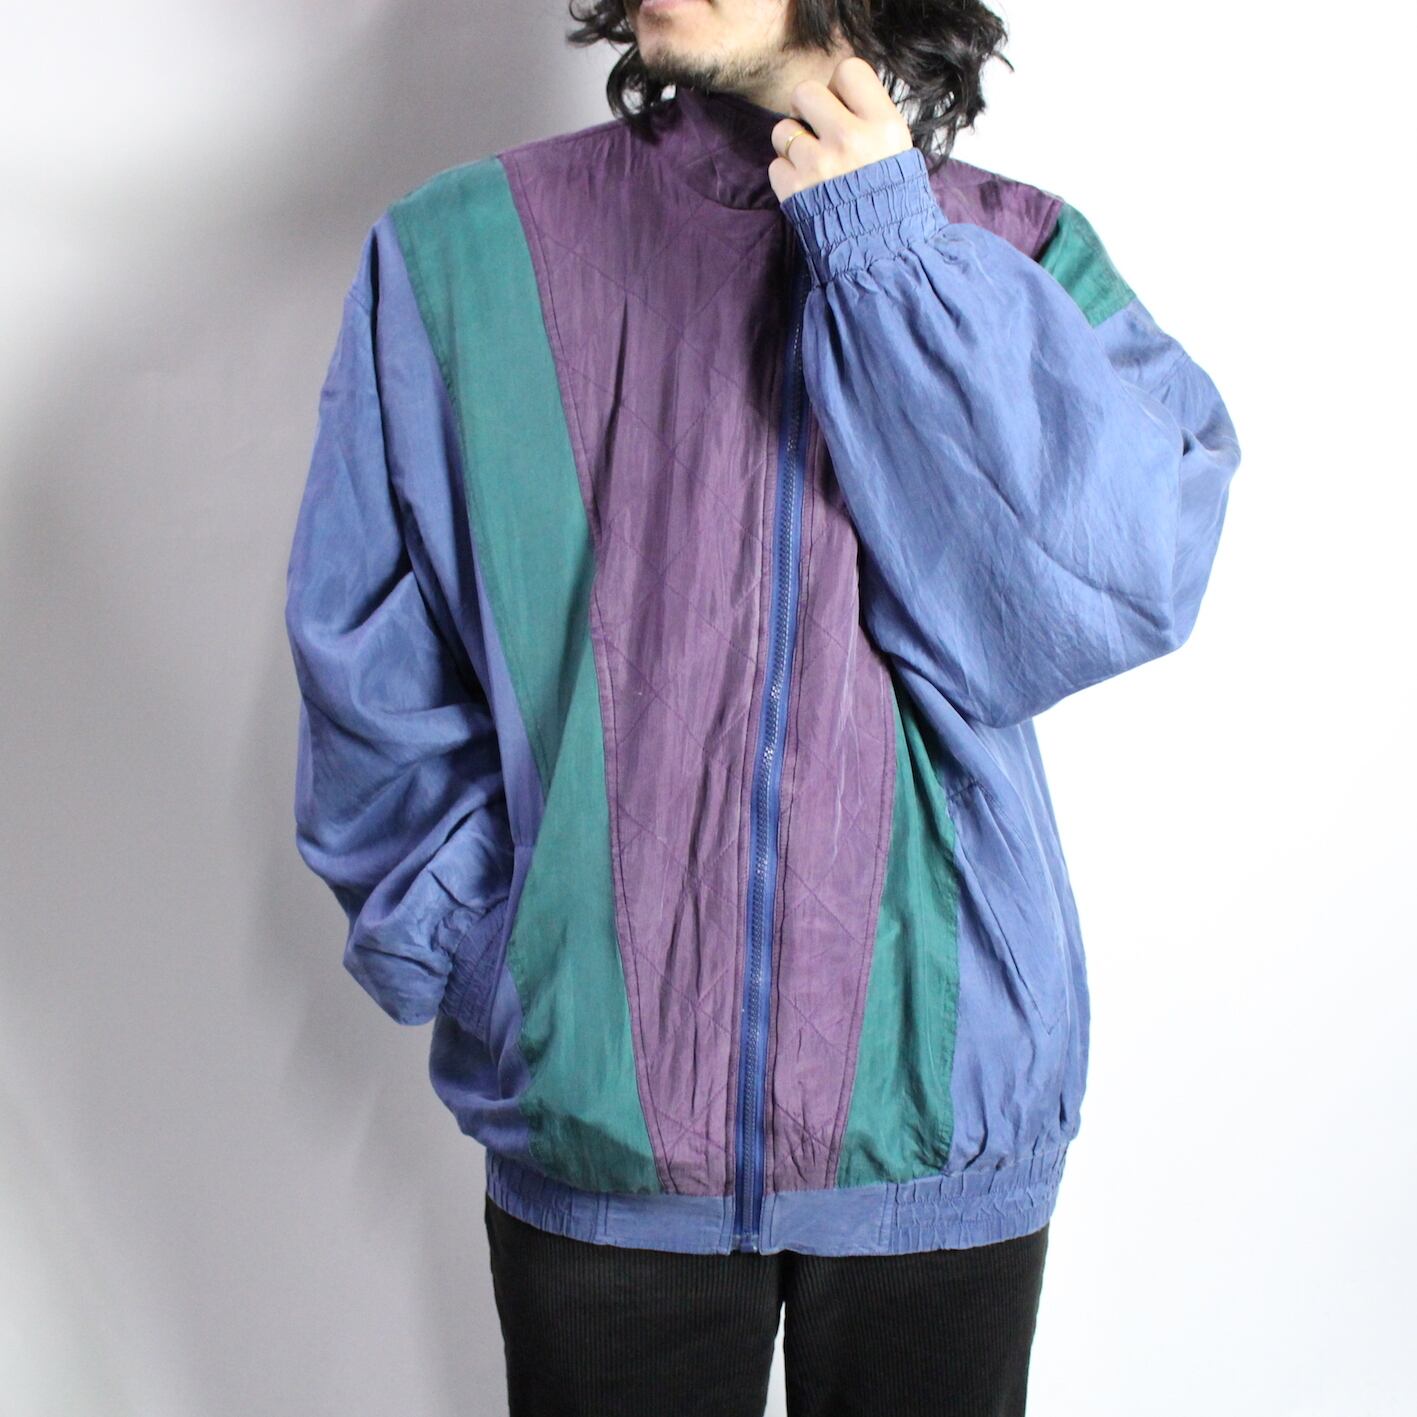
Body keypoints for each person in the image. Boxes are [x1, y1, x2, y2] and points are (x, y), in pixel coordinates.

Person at [283, 0, 1241, 1411]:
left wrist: (885, 250)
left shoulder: (1016, 251)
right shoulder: (460, 255)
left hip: (939, 1124)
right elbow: (367, 659)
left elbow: (1111, 582)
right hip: (602, 1136)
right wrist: (519, 966)